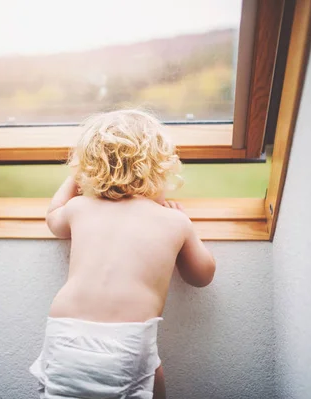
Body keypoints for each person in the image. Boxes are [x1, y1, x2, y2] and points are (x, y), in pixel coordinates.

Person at [30, 109, 216, 398]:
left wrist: (73, 178)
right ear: (160, 169)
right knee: (149, 382)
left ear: (89, 170)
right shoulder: (174, 221)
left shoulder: (80, 208)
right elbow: (202, 276)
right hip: (128, 342)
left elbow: (53, 217)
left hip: (63, 335)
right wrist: (188, 226)